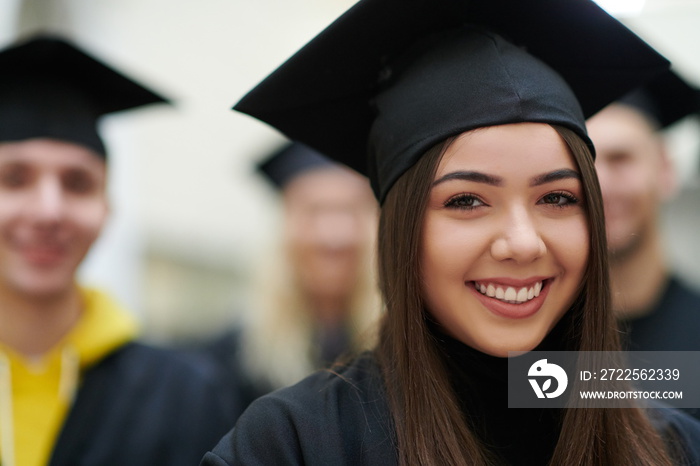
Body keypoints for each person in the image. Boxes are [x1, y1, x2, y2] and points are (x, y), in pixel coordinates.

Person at [202, 0, 700, 464]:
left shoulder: (671, 445)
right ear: (398, 230)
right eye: (466, 200)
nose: (524, 242)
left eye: (557, 198)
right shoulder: (292, 445)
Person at [0, 35, 236, 466]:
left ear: (107, 208)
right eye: (14, 178)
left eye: (77, 183)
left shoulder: (185, 395)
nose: (49, 211)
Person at [202, 142, 380, 407]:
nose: (334, 235)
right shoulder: (227, 362)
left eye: (351, 210)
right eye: (314, 210)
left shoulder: (411, 354)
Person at [587, 70, 700, 352]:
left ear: (665, 169)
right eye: (584, 163)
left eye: (621, 158)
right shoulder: (532, 339)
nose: (600, 184)